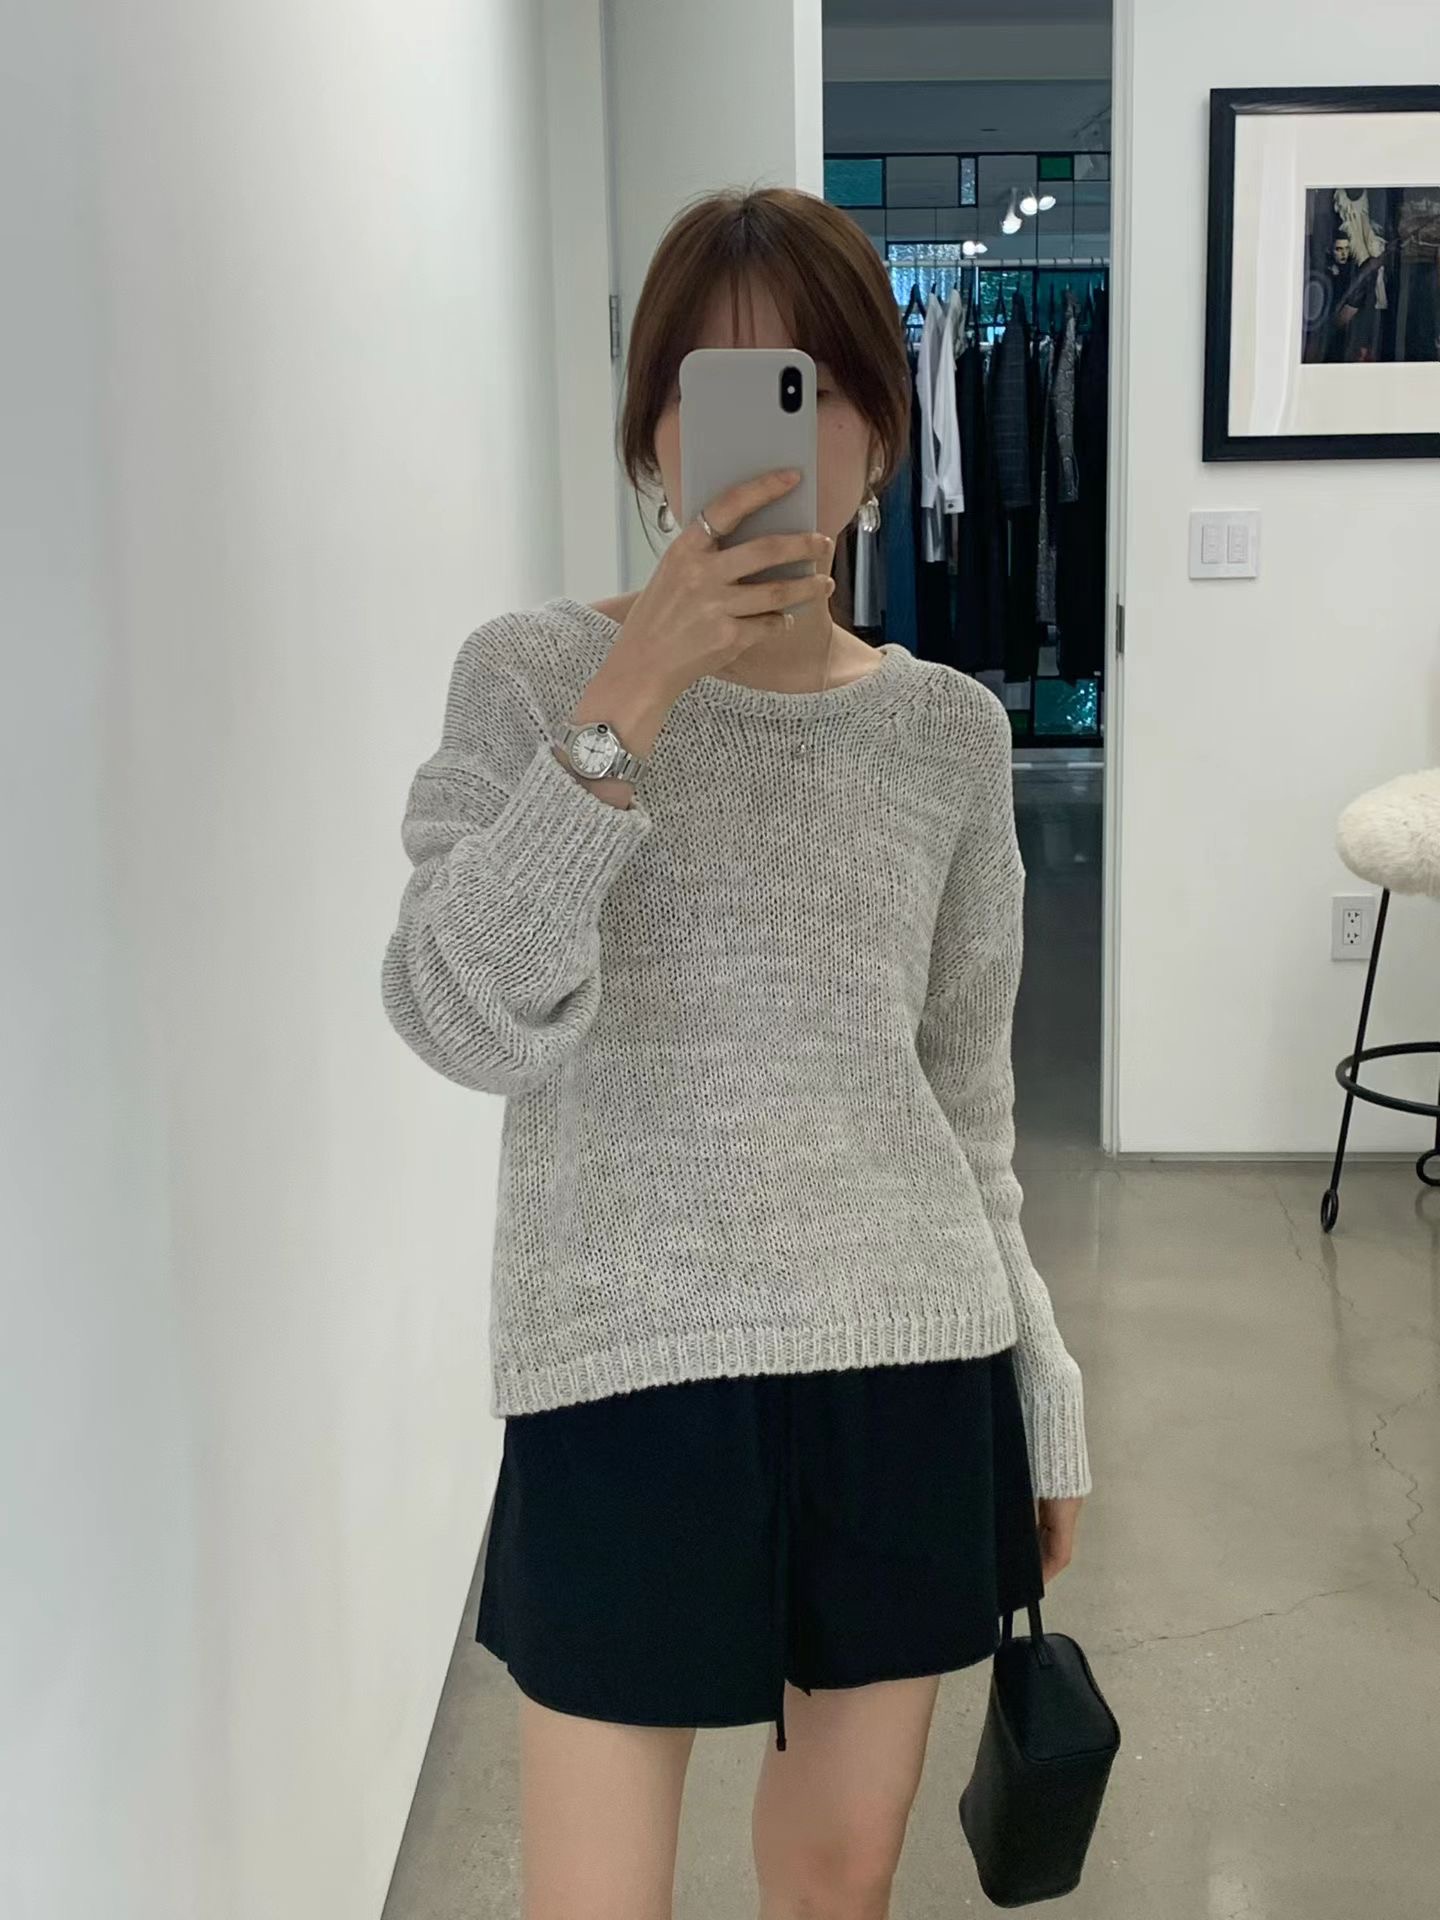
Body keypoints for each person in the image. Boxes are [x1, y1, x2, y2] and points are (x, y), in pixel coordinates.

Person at [380, 185, 1091, 1920]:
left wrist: (1044, 1385)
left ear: (881, 434)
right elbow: (456, 1011)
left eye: (817, 386)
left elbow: (966, 1099)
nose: (781, 432)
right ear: (654, 436)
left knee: (838, 1887)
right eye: (721, 388)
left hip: (905, 1359)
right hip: (620, 1369)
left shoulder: (946, 731)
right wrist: (628, 703)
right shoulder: (533, 677)